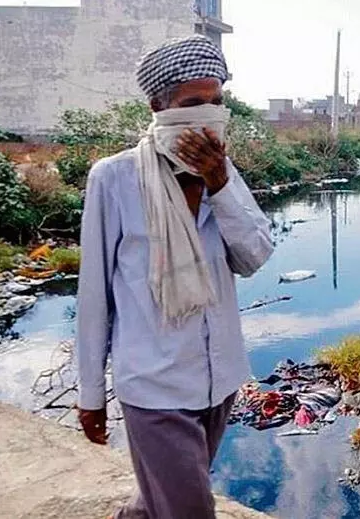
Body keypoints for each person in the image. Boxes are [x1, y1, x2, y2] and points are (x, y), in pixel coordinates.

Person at [75, 35, 274, 518]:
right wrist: (90, 394)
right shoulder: (114, 178)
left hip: (218, 379)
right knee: (190, 509)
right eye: (192, 104)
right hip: (154, 386)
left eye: (216, 102)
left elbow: (253, 257)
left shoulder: (222, 173)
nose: (208, 115)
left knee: (160, 498)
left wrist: (220, 186)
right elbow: (94, 296)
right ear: (158, 108)